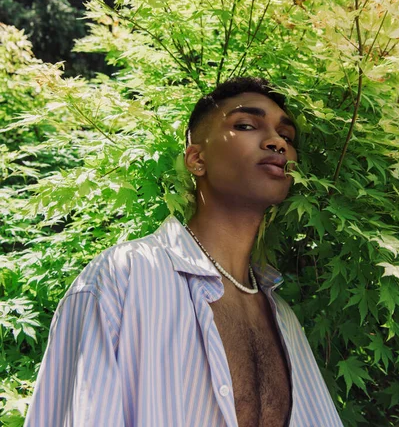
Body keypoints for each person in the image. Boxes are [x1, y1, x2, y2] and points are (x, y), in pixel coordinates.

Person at [25, 76, 344, 427]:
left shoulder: (283, 319)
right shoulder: (123, 278)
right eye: (246, 125)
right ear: (196, 159)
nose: (276, 142)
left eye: (287, 136)